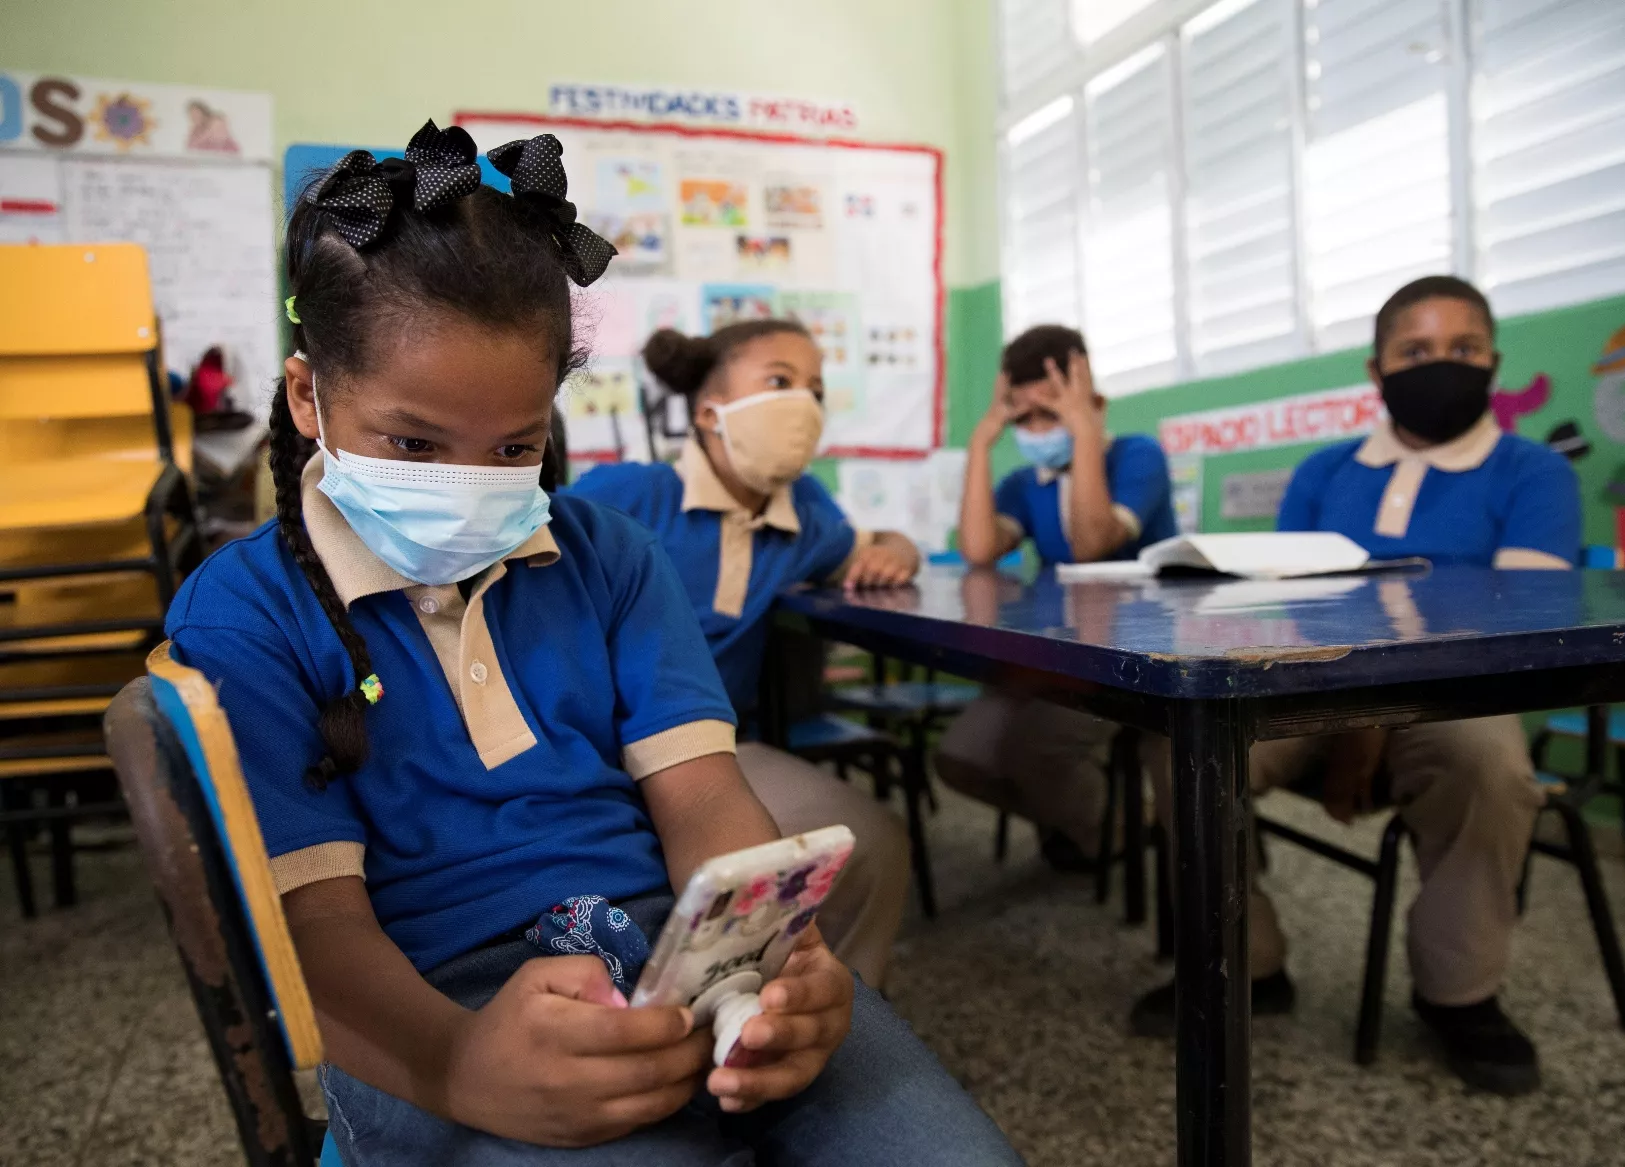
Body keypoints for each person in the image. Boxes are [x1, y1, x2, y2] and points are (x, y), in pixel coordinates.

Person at [163, 121, 1022, 1165]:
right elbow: (317, 931)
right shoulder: (242, 615)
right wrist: (456, 1064)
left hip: (667, 944)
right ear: (309, 397)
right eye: (413, 444)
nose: (468, 482)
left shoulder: (607, 556)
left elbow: (703, 796)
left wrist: (766, 956)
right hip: (427, 1001)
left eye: (513, 445)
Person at [1134, 275, 1579, 1098]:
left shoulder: (1534, 473)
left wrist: (1372, 720)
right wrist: (1345, 712)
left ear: (1494, 363)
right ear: (1376, 371)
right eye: (1415, 351)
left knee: (1490, 763)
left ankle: (1461, 990)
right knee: (1179, 738)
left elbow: (1521, 623)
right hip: (1310, 692)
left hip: (1456, 702)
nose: (1439, 365)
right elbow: (1285, 603)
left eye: (1463, 350)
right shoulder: (1323, 472)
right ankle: (1247, 962)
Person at [569, 319, 921, 988]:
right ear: (710, 412)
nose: (803, 405)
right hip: (593, 750)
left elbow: (881, 540)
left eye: (815, 389)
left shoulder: (806, 512)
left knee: (872, 843)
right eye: (779, 382)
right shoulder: (631, 495)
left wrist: (893, 552)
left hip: (719, 752)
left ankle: (839, 1015)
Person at [936, 325, 1177, 871]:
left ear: (1094, 404)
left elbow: (1091, 543)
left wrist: (1084, 432)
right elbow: (977, 549)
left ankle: (1104, 832)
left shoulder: (1139, 457)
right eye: (1026, 419)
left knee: (1036, 751)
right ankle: (1115, 828)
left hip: (1134, 661)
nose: (1040, 430)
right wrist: (981, 442)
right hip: (1054, 652)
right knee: (961, 757)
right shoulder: (1027, 482)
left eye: (1055, 413)